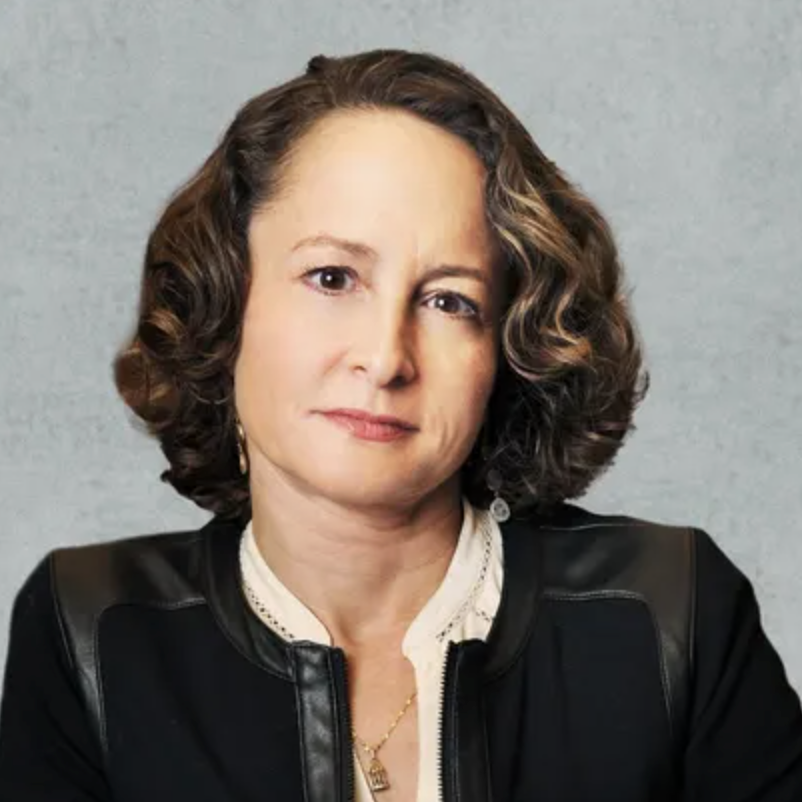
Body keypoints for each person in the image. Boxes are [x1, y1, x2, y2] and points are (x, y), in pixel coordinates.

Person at [1, 47, 800, 802]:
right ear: (223, 302)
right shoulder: (92, 633)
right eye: (332, 277)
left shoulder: (671, 612)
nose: (385, 358)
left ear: (508, 348)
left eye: (449, 300)